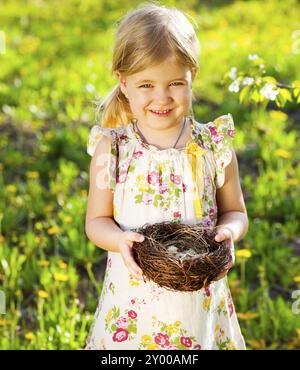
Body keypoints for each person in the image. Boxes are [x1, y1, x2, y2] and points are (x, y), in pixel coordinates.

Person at [84, 2, 248, 350]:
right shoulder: (112, 149)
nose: (162, 97)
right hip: (133, 304)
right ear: (123, 82)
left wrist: (228, 233)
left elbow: (236, 212)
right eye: (146, 85)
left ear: (193, 77)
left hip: (199, 301)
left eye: (175, 83)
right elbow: (96, 221)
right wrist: (119, 242)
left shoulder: (213, 146)